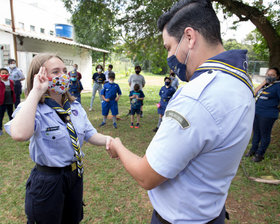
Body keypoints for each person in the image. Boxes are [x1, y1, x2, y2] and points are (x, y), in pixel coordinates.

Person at [108, 0, 255, 223]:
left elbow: (146, 176)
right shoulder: (240, 81)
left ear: (189, 37)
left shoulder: (197, 97)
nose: (169, 58)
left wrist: (118, 146)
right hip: (211, 212)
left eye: (169, 47)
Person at [4, 53, 113, 224]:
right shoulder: (32, 107)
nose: (63, 75)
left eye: (64, 70)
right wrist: (36, 91)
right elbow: (19, 134)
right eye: (55, 72)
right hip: (48, 181)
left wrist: (110, 140)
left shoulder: (74, 106)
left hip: (74, 176)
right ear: (39, 75)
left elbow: (90, 134)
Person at [245, 67, 280, 162]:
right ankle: (253, 150)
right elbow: (254, 93)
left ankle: (260, 154)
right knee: (256, 133)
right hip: (257, 113)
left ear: (277, 77)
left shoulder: (278, 86)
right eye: (268, 75)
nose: (270, 77)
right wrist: (263, 83)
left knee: (265, 135)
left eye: (272, 75)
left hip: (268, 115)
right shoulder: (265, 85)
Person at [0, 68, 16, 136]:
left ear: (8, 74)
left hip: (10, 101)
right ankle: (0, 129)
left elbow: (13, 91)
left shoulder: (11, 82)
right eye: (2, 73)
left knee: (11, 115)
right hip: (1, 102)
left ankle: (11, 128)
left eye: (6, 73)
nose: (4, 74)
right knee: (1, 116)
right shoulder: (0, 82)